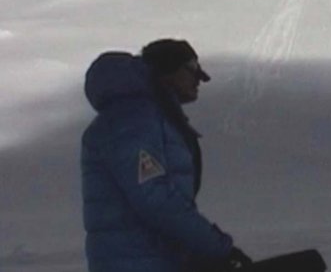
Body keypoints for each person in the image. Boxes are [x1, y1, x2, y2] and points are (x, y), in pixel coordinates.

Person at [81, 39, 251, 272]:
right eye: (191, 67)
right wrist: (216, 247)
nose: (199, 78)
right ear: (168, 69)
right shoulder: (132, 120)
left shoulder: (152, 117)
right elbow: (154, 196)